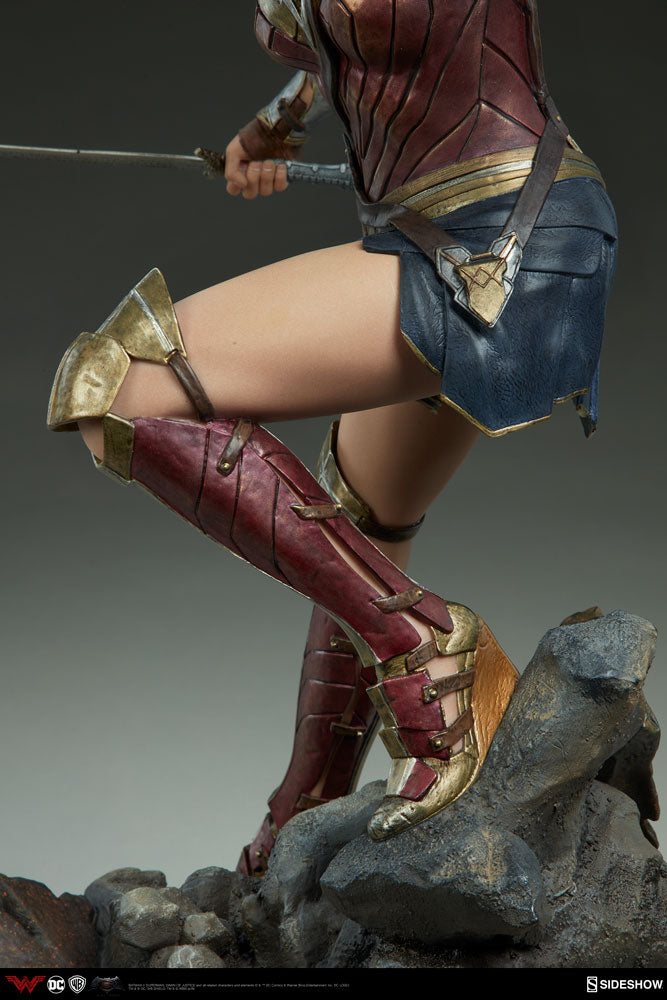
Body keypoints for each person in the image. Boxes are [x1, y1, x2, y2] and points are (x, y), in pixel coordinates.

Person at [46, 0, 617, 878]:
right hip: (436, 234)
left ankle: (425, 651)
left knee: (116, 381)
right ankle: (307, 803)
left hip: (509, 243)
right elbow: (339, 51)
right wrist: (272, 127)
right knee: (357, 525)